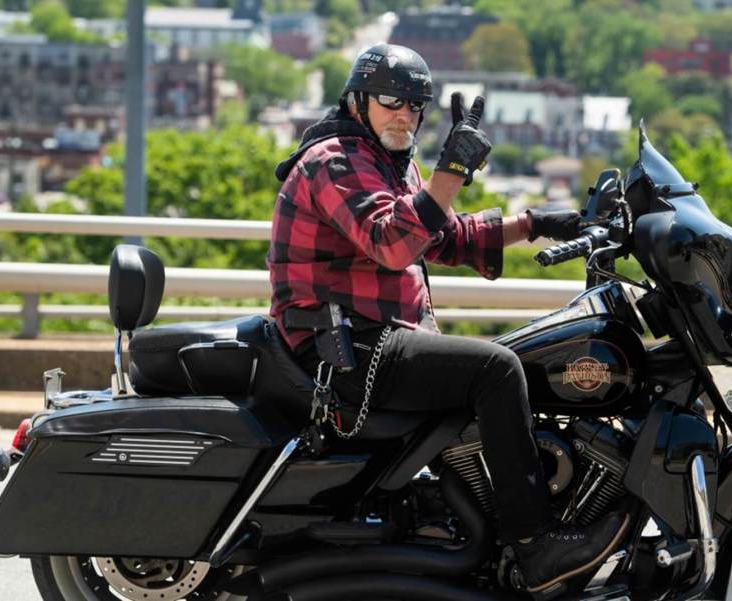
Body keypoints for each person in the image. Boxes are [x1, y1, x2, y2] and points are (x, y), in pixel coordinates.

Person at [267, 43, 628, 597]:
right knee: (496, 370)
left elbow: (445, 236)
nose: (405, 115)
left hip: (376, 339)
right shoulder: (335, 160)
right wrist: (452, 170)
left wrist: (539, 223)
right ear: (358, 99)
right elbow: (392, 242)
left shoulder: (388, 161)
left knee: (526, 358)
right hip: (343, 349)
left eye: (417, 105)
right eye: (392, 100)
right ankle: (535, 548)